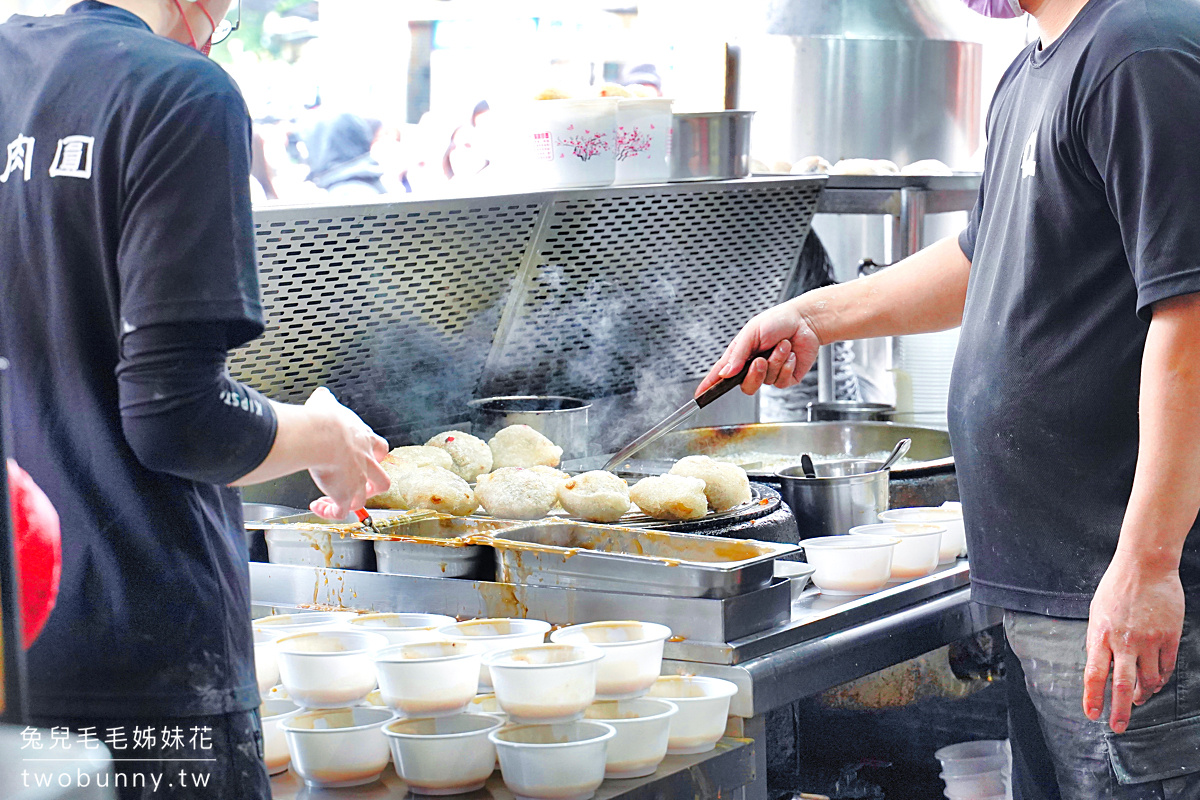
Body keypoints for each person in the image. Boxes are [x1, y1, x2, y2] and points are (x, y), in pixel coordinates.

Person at [698, 0, 1200, 796]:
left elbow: (1192, 315)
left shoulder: (1136, 52)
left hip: (1118, 581)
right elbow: (983, 257)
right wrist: (812, 318)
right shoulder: (1035, 67)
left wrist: (1148, 562)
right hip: (1050, 591)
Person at [0, 1, 389, 798]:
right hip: (141, 655)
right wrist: (326, 436)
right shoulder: (181, 91)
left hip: (13, 654)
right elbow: (179, 420)